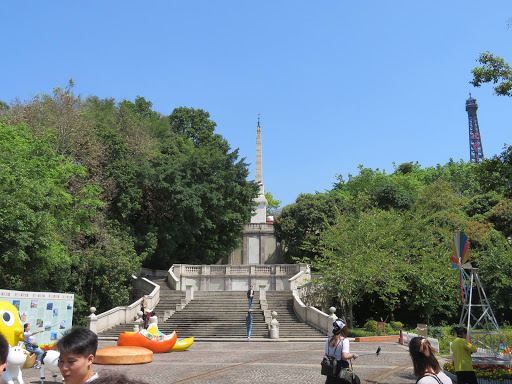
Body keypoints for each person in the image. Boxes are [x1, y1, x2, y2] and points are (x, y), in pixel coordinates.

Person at [324, 319, 359, 384]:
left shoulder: (328, 340)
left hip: (330, 370)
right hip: (341, 369)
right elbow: (344, 356)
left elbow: (326, 354)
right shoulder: (344, 341)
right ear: (343, 329)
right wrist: (353, 355)